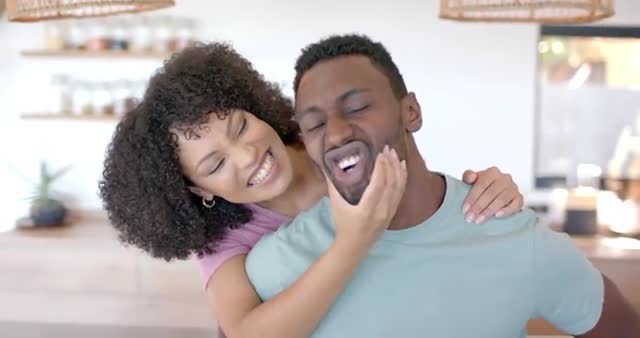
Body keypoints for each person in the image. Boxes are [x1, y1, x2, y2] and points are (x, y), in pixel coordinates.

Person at [99, 43, 525, 338]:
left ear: (257, 107)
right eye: (216, 164)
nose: (247, 155)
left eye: (242, 126)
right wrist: (352, 242)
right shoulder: (222, 241)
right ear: (194, 189)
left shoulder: (334, 140)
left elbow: (425, 202)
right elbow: (246, 332)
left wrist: (489, 192)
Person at [244, 34, 640, 338]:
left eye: (358, 107)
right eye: (314, 124)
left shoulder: (512, 235)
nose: (336, 133)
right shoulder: (278, 263)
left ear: (410, 112)